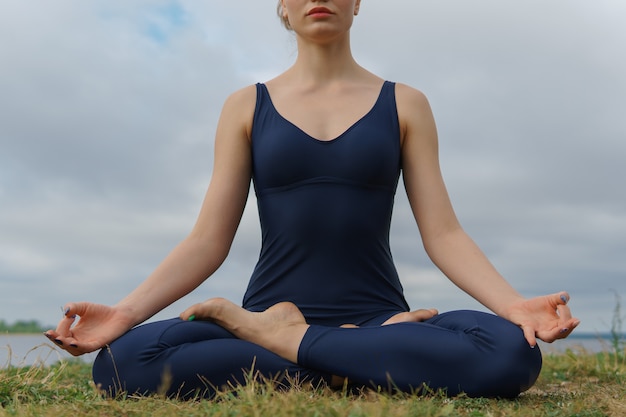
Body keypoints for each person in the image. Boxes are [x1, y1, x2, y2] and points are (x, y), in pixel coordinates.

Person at [45, 0, 580, 399]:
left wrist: (512, 305)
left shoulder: (406, 103)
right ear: (281, 6)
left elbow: (443, 234)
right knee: (122, 363)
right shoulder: (245, 106)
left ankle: (301, 345)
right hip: (256, 324)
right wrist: (124, 313)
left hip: (380, 321)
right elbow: (208, 239)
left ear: (357, 3)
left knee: (511, 355)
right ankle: (341, 357)